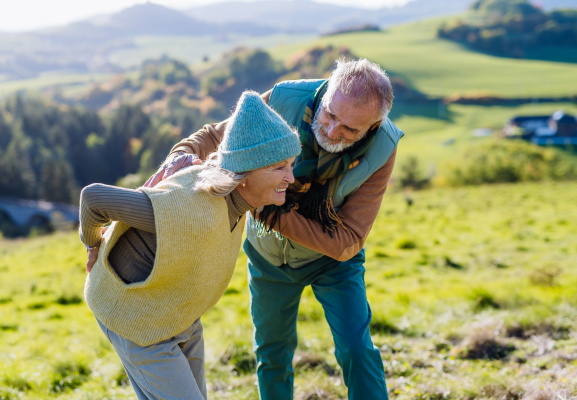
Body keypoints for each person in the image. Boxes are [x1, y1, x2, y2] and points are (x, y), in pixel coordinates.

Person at [149, 58, 404, 400]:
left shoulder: (383, 147)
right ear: (327, 90)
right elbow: (214, 136)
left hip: (334, 263)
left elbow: (348, 242)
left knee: (357, 350)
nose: (332, 132)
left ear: (372, 127)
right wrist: (177, 158)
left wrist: (271, 213)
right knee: (272, 354)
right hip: (269, 258)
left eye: (349, 130)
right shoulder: (284, 99)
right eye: (330, 115)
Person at [79, 91, 301, 400]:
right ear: (245, 174)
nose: (290, 177)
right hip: (138, 323)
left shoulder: (238, 205)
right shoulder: (186, 208)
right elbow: (94, 198)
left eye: (291, 164)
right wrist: (92, 245)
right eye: (279, 168)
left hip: (180, 317)